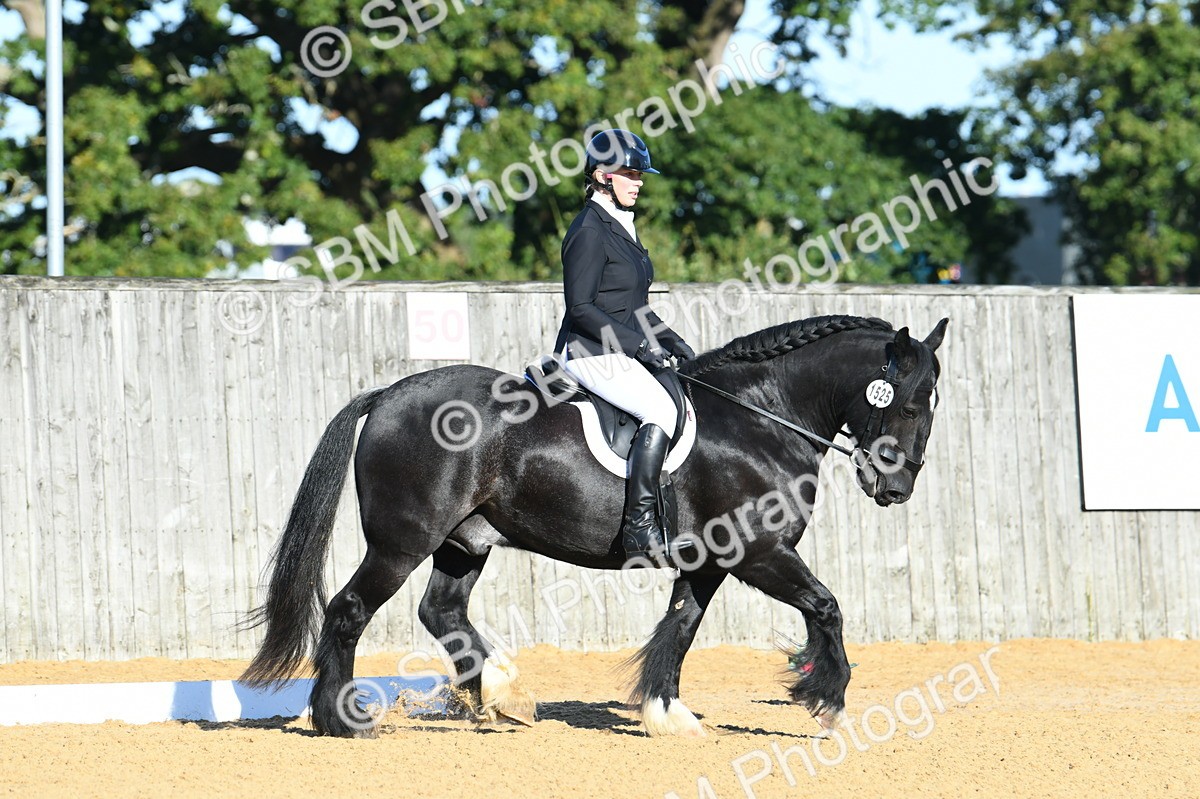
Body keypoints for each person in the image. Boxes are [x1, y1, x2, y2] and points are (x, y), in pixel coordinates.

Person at [551, 129, 697, 566]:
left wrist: (672, 341)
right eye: (630, 174)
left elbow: (633, 306)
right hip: (589, 352)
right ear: (601, 176)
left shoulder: (621, 228)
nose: (638, 182)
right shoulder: (589, 230)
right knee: (661, 411)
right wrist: (637, 347)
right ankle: (640, 528)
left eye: (640, 175)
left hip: (615, 348)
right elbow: (581, 307)